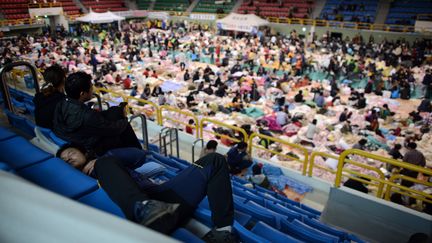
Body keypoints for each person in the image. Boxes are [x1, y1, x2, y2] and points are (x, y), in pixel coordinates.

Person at [58, 145, 237, 241]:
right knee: (103, 164)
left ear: (84, 152)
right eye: (64, 160)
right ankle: (143, 208)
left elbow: (138, 155)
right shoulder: (93, 172)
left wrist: (105, 156)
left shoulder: (106, 160)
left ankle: (223, 231)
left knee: (214, 160)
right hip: (148, 208)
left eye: (71, 153)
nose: (68, 158)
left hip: (163, 198)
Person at [53, 71, 141, 156]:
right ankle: (140, 154)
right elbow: (113, 129)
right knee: (124, 127)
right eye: (91, 87)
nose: (93, 90)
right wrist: (125, 119)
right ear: (82, 93)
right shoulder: (87, 115)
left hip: (76, 137)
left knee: (115, 111)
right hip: (91, 147)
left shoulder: (61, 103)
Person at [33, 64, 66, 129]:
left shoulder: (38, 97)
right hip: (55, 136)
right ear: (63, 80)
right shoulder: (63, 101)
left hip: (42, 134)